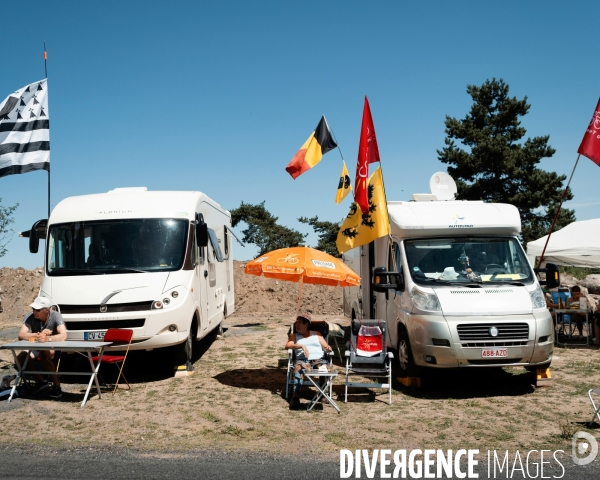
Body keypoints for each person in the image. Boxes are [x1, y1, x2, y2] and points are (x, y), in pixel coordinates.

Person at [17, 297, 68, 399]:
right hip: (35, 345)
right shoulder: (30, 316)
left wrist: (48, 338)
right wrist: (38, 335)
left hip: (51, 345)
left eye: (38, 310)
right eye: (33, 309)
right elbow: (21, 335)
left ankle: (56, 386)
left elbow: (64, 335)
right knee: (20, 359)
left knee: (44, 354)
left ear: (46, 310)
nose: (34, 312)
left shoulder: (56, 316)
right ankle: (41, 381)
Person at [285, 313, 332, 409]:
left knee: (323, 369)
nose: (296, 325)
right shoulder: (295, 336)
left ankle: (322, 393)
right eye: (296, 323)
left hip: (319, 359)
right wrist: (301, 346)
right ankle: (295, 396)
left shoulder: (316, 334)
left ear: (306, 325)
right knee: (299, 368)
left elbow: (326, 346)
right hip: (303, 360)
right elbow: (288, 345)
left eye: (299, 323)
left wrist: (328, 348)